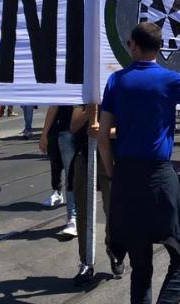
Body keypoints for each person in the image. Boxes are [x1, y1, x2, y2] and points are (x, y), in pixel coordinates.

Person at [99, 22, 180, 304]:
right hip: (159, 178)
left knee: (140, 267)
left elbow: (102, 136)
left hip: (125, 177)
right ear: (160, 49)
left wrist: (113, 174)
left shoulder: (116, 81)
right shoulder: (170, 80)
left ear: (134, 46)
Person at [70, 104, 125, 286]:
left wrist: (104, 132)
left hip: (110, 157)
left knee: (113, 211)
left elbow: (128, 128)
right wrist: (90, 112)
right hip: (85, 158)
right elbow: (74, 125)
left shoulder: (117, 92)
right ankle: (86, 260)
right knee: (84, 212)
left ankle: (115, 250)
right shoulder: (85, 96)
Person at [40, 105, 78, 238]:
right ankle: (73, 218)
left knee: (81, 177)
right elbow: (54, 105)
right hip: (66, 130)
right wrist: (45, 133)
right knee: (71, 176)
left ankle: (79, 217)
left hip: (85, 130)